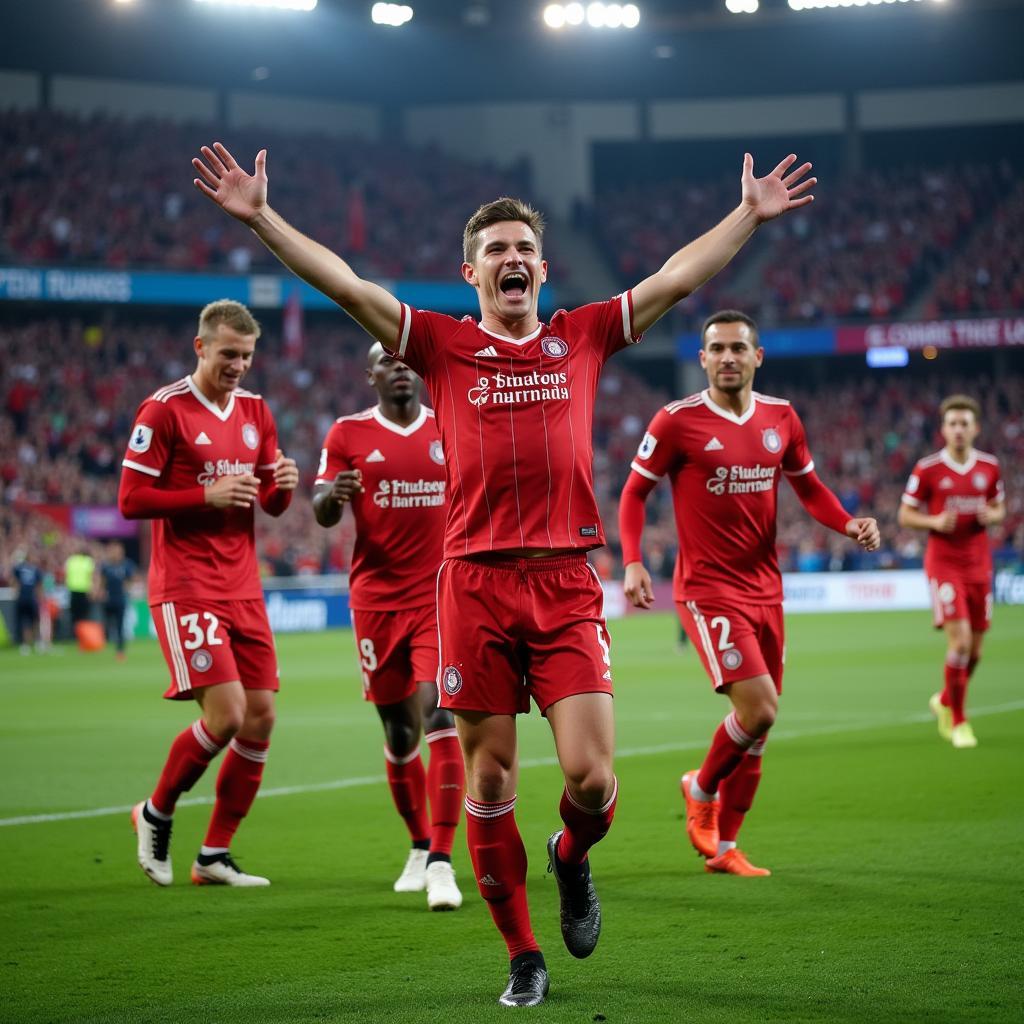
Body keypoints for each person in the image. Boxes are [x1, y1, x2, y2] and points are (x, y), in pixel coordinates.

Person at [193, 139, 816, 1006]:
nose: (512, 260)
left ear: (543, 268)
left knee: (593, 781)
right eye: (497, 251)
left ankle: (568, 857)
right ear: (472, 272)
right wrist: (262, 217)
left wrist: (748, 216)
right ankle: (524, 955)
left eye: (525, 248)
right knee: (487, 780)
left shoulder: (584, 336)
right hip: (474, 584)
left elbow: (677, 279)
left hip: (564, 582)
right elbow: (345, 285)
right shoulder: (442, 346)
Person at [619, 310, 880, 877]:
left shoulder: (782, 418)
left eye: (739, 348)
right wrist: (635, 562)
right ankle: (702, 786)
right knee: (759, 709)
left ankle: (726, 848)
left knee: (760, 733)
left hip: (766, 589)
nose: (729, 357)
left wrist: (847, 523)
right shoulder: (675, 421)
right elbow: (635, 493)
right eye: (718, 349)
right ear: (703, 359)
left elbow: (809, 488)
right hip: (708, 590)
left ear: (757, 356)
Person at [118, 299, 298, 888]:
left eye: (246, 356)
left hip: (243, 585)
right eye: (228, 354)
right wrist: (205, 495)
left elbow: (267, 501)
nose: (238, 365)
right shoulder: (164, 410)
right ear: (200, 348)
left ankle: (214, 854)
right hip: (187, 585)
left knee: (261, 719)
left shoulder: (256, 410)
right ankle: (155, 810)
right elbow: (129, 501)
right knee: (227, 715)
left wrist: (283, 487)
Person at [312, 342, 465, 912]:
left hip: (440, 596)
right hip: (376, 601)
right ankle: (420, 846)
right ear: (369, 373)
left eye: (406, 362)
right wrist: (334, 496)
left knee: (440, 714)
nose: (400, 369)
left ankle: (444, 862)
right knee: (400, 736)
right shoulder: (347, 434)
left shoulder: (448, 425)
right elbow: (321, 506)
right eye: (386, 362)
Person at [897, 395, 1005, 749]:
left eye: (964, 423)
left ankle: (945, 699)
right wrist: (934, 521)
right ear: (943, 430)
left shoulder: (989, 466)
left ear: (975, 428)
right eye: (952, 424)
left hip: (979, 564)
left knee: (974, 653)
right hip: (944, 564)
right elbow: (905, 515)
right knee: (958, 643)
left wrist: (995, 515)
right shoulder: (927, 468)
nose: (958, 430)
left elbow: (999, 505)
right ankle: (958, 720)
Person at [99, 541, 137, 661]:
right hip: (108, 599)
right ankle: (103, 644)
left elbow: (132, 579)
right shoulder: (106, 566)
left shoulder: (127, 565)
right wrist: (100, 591)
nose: (115, 553)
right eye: (113, 550)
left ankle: (120, 650)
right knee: (106, 623)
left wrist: (128, 587)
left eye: (117, 550)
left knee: (120, 625)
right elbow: (102, 580)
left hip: (120, 599)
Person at [13, 550, 44, 655]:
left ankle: (27, 644)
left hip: (23, 598)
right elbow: (39, 586)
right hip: (31, 598)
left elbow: (15, 581)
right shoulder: (35, 570)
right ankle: (36, 642)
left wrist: (16, 593)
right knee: (34, 621)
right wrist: (40, 597)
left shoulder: (19, 568)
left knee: (26, 621)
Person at [64, 542, 95, 626]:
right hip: (79, 590)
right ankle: (79, 633)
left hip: (78, 590)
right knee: (80, 614)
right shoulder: (87, 561)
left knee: (77, 614)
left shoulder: (70, 560)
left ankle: (78, 633)